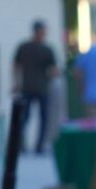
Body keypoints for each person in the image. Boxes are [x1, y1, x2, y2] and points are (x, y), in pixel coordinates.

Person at [12, 19, 59, 153]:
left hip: (39, 88)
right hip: (30, 88)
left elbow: (53, 69)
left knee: (39, 118)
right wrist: (16, 83)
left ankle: (38, 146)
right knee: (26, 118)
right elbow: (16, 66)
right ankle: (24, 145)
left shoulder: (44, 49)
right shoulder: (27, 47)